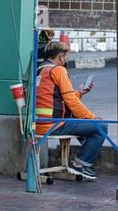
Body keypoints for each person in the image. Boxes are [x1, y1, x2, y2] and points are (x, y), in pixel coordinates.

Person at [36, 41, 107, 180]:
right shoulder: (58, 70)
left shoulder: (40, 70)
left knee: (86, 126)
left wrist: (79, 92)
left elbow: (56, 99)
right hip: (54, 125)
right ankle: (79, 164)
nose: (67, 59)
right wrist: (92, 118)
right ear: (61, 57)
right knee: (101, 127)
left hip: (38, 124)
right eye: (66, 56)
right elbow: (71, 102)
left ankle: (82, 164)